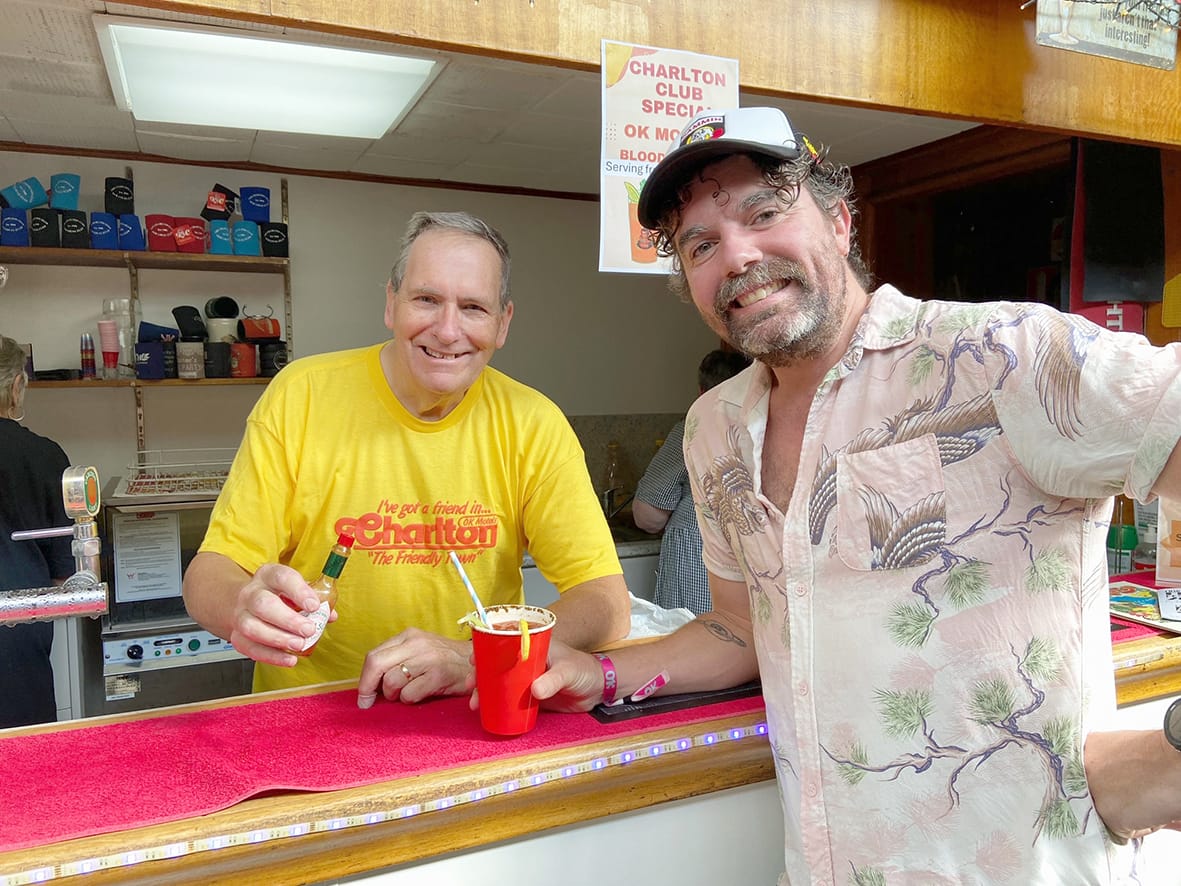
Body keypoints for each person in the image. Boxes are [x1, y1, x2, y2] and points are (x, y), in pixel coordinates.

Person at [526, 107, 1181, 883]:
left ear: (838, 221)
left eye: (762, 212)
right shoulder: (713, 427)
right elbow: (741, 629)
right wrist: (600, 674)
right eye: (700, 245)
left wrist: (1165, 754)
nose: (736, 254)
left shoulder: (1000, 355)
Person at [183, 211, 630, 707]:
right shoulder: (302, 396)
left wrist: (473, 656)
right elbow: (210, 575)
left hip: (471, 717)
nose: (446, 330)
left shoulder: (534, 423)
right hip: (309, 714)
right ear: (391, 303)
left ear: (502, 323)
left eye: (474, 307)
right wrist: (240, 605)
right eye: (426, 299)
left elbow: (607, 604)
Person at [633, 348, 750, 613]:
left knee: (692, 638)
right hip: (752, 572)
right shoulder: (765, 427)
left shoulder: (693, 429)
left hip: (697, 565)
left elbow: (647, 515)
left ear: (701, 391)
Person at [0, 334, 71, 728]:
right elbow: (65, 574)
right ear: (16, 387)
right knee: (21, 766)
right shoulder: (43, 456)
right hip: (16, 637)